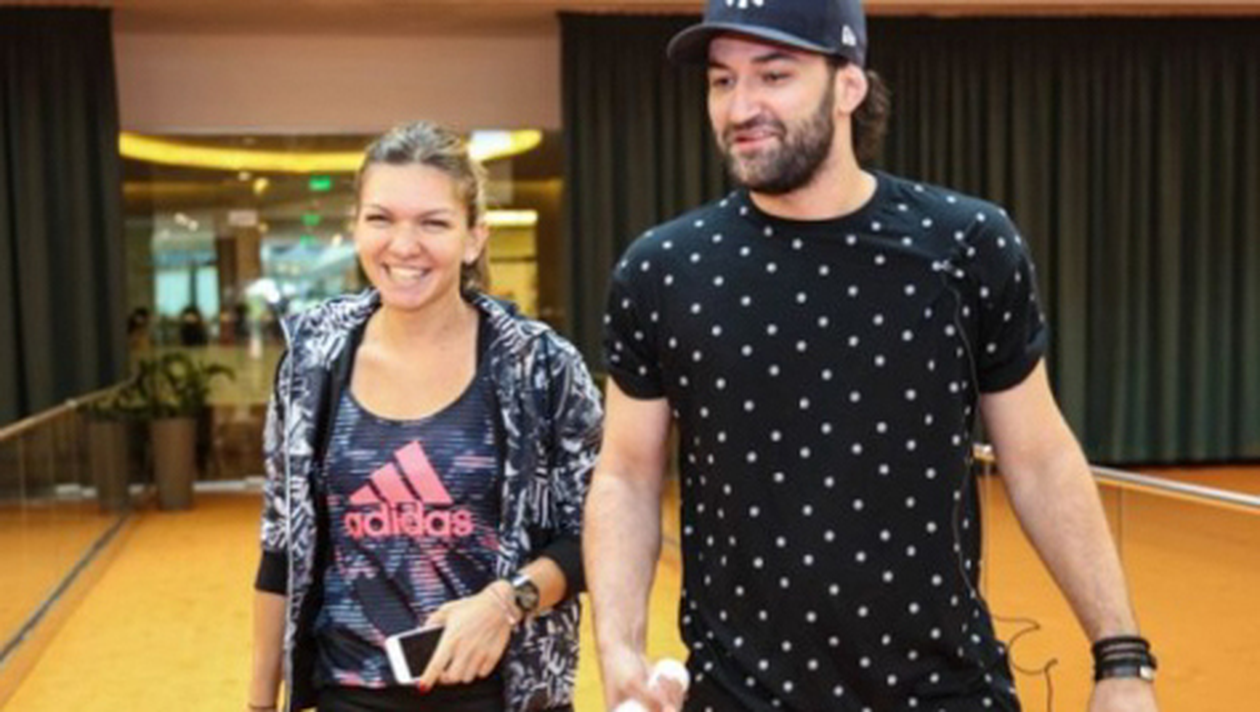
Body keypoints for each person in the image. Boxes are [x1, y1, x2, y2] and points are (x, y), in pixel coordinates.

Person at [584, 2, 1159, 711]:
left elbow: (1040, 459)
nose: (741, 106)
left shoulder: (966, 245)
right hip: (739, 696)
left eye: (774, 75)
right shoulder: (663, 270)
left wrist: (1121, 657)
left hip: (944, 692)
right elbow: (626, 474)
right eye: (722, 81)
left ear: (849, 86)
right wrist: (617, 646)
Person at [248, 121, 602, 712]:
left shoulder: (539, 366)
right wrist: (260, 702)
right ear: (356, 227)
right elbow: (282, 544)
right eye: (381, 219)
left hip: (500, 694)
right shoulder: (313, 363)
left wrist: (506, 602)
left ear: (474, 239)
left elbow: (599, 532)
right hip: (350, 691)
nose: (404, 245)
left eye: (433, 223)